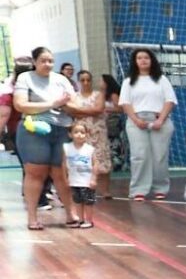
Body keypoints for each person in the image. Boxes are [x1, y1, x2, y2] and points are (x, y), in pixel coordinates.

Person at [13, 47, 79, 228]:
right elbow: (21, 105)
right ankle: (32, 218)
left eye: (50, 61)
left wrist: (67, 106)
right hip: (35, 130)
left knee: (61, 173)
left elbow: (74, 103)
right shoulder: (25, 78)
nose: (47, 64)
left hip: (61, 129)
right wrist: (53, 104)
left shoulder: (61, 80)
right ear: (34, 62)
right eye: (43, 60)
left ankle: (71, 213)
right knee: (36, 172)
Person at [120, 48, 177, 201]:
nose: (143, 60)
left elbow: (170, 101)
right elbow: (125, 103)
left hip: (160, 121)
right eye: (139, 58)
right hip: (136, 121)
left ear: (152, 60)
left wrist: (160, 120)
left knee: (160, 156)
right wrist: (136, 120)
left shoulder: (162, 80)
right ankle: (138, 190)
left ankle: (160, 188)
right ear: (135, 61)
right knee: (139, 155)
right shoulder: (128, 81)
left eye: (146, 57)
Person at [65, 71, 112, 204]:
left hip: (98, 131)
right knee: (82, 159)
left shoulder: (98, 94)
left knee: (102, 158)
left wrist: (80, 111)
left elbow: (99, 109)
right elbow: (70, 111)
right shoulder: (74, 96)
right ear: (79, 81)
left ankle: (105, 190)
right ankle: (84, 189)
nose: (85, 82)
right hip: (81, 133)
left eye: (88, 80)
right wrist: (90, 111)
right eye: (82, 80)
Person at [62, 121, 98, 229]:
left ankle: (89, 220)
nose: (79, 134)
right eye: (76, 132)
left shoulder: (89, 149)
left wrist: (93, 179)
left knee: (88, 202)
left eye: (82, 132)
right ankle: (80, 220)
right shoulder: (67, 148)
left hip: (86, 182)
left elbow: (95, 164)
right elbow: (64, 164)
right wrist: (65, 178)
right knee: (77, 201)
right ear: (70, 134)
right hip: (74, 181)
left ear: (87, 134)